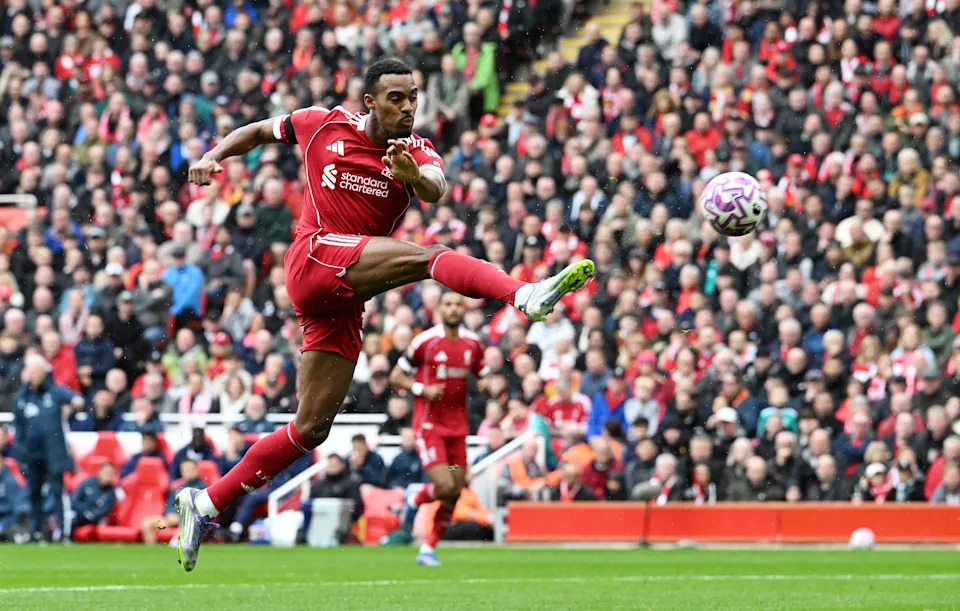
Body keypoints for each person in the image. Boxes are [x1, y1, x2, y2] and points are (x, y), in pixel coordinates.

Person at [176, 58, 594, 572]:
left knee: (310, 429)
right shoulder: (322, 124)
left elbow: (435, 186)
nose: (408, 106)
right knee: (426, 255)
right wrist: (214, 154)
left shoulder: (414, 150)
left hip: (345, 295)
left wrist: (414, 176)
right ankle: (523, 296)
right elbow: (261, 130)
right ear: (370, 101)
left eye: (413, 96)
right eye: (396, 97)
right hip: (314, 257)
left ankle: (207, 503)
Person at [390, 291, 485, 566]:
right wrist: (421, 389)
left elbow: (481, 372)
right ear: (440, 309)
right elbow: (397, 376)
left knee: (454, 490)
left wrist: (488, 383)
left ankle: (428, 548)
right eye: (448, 304)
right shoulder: (425, 342)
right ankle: (418, 496)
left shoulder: (473, 344)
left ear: (464, 308)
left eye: (458, 304)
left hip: (458, 429)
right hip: (430, 426)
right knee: (444, 484)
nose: (453, 309)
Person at [12, 354, 82, 542]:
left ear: (44, 373)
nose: (34, 375)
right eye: (31, 371)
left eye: (37, 371)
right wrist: (20, 451)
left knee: (58, 491)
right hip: (32, 453)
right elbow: (18, 427)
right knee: (34, 492)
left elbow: (75, 398)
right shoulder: (21, 397)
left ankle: (63, 532)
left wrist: (75, 404)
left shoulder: (55, 392)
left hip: (54, 451)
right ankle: (36, 531)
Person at [70, 463, 119, 530]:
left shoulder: (112, 493)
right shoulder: (87, 483)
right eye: (106, 472)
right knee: (70, 517)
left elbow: (104, 510)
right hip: (79, 514)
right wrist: (85, 510)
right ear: (99, 472)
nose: (108, 475)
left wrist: (92, 514)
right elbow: (74, 501)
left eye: (111, 473)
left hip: (95, 519)